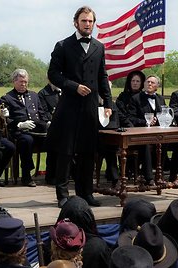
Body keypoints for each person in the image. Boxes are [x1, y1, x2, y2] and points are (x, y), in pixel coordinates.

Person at [47, 6, 112, 208]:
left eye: (90, 21)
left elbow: (103, 76)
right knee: (66, 152)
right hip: (69, 106)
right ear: (76, 22)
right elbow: (53, 74)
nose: (87, 24)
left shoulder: (99, 47)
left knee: (88, 152)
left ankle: (86, 193)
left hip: (91, 107)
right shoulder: (63, 45)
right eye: (84, 21)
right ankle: (63, 195)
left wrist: (108, 103)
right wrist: (73, 86)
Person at [0, 69, 49, 187]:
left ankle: (52, 174)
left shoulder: (34, 95)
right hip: (18, 132)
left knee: (54, 138)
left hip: (37, 130)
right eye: (21, 82)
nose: (24, 84)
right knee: (27, 140)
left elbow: (42, 114)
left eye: (26, 82)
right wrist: (19, 124)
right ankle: (26, 175)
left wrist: (47, 123)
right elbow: (5, 119)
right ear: (14, 82)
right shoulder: (7, 98)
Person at [126, 75, 168, 185]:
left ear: (157, 86)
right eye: (147, 82)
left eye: (152, 83)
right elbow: (130, 117)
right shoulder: (136, 98)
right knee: (145, 144)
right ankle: (148, 177)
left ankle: (161, 174)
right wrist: (145, 122)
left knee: (167, 142)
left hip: (158, 133)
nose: (149, 84)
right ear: (144, 84)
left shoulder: (160, 99)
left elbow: (165, 114)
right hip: (141, 134)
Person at [38, 82, 62, 185]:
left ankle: (70, 173)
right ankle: (51, 175)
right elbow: (43, 112)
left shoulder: (64, 92)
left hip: (65, 125)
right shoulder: (43, 93)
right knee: (55, 141)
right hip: (49, 126)